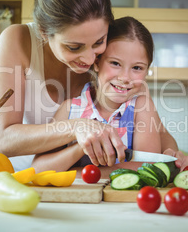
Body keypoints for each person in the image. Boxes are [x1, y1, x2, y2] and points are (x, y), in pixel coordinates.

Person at [0, 0, 188, 173]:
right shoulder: (18, 40)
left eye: (99, 42)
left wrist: (172, 152)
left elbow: (159, 132)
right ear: (44, 32)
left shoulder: (113, 61)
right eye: (74, 47)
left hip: (70, 182)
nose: (90, 58)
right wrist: (77, 127)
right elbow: (5, 139)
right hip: (7, 173)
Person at [32, 17, 167, 174]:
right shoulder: (70, 109)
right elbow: (38, 169)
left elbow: (146, 167)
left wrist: (75, 172)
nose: (125, 77)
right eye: (115, 63)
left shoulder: (141, 108)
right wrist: (81, 147)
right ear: (96, 62)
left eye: (137, 67)